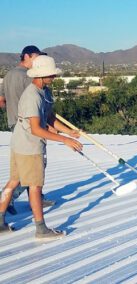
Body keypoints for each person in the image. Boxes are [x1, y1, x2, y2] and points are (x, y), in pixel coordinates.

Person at [0, 55, 83, 239]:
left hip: (20, 143)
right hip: (29, 147)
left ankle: (0, 222)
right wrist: (64, 141)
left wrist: (68, 131)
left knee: (14, 180)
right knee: (35, 186)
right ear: (41, 75)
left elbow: (50, 116)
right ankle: (41, 229)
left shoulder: (43, 91)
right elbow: (37, 129)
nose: (54, 77)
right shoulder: (32, 96)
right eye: (51, 75)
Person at [0, 46, 55, 215]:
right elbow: (38, 103)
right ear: (26, 56)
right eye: (36, 58)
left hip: (15, 123)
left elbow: (1, 100)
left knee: (21, 172)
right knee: (34, 170)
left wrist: (12, 113)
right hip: (29, 126)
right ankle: (24, 200)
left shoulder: (8, 75)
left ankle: (10, 202)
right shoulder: (28, 77)